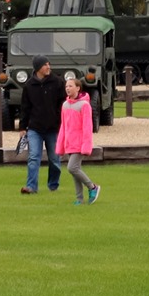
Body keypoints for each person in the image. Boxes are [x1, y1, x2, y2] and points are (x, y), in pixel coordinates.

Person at [19, 57, 64, 195]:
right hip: (35, 128)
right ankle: (31, 187)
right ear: (38, 67)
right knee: (33, 157)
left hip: (53, 128)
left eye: (49, 64)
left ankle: (53, 185)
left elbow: (62, 104)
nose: (48, 67)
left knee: (55, 159)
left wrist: (61, 123)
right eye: (45, 65)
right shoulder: (29, 85)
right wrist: (22, 127)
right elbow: (25, 107)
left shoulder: (57, 82)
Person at [56, 73, 100, 205]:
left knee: (72, 168)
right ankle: (79, 199)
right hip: (70, 143)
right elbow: (64, 126)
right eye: (66, 86)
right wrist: (61, 143)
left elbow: (87, 126)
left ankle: (92, 187)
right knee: (75, 170)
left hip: (80, 143)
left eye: (70, 86)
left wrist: (86, 145)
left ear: (78, 88)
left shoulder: (84, 106)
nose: (67, 88)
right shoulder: (64, 105)